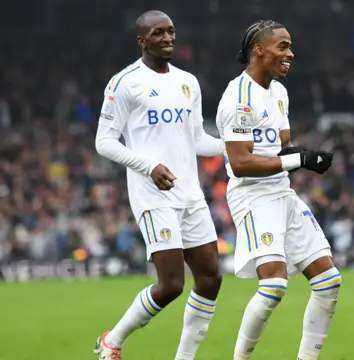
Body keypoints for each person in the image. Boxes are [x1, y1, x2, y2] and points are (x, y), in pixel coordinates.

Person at [93, 10, 224, 360]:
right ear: (142, 40)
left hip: (190, 195)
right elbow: (104, 141)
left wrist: (236, 147)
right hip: (153, 196)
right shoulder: (125, 83)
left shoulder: (188, 82)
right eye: (158, 33)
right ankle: (112, 340)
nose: (167, 38)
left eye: (171, 32)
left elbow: (197, 139)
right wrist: (148, 165)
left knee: (211, 279)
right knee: (171, 286)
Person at [216, 20, 341, 360]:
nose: (290, 53)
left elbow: (281, 149)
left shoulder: (279, 92)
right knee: (274, 286)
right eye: (282, 47)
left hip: (280, 191)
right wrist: (298, 159)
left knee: (329, 282)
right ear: (258, 50)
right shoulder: (239, 98)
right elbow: (241, 162)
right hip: (252, 194)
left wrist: (306, 157)